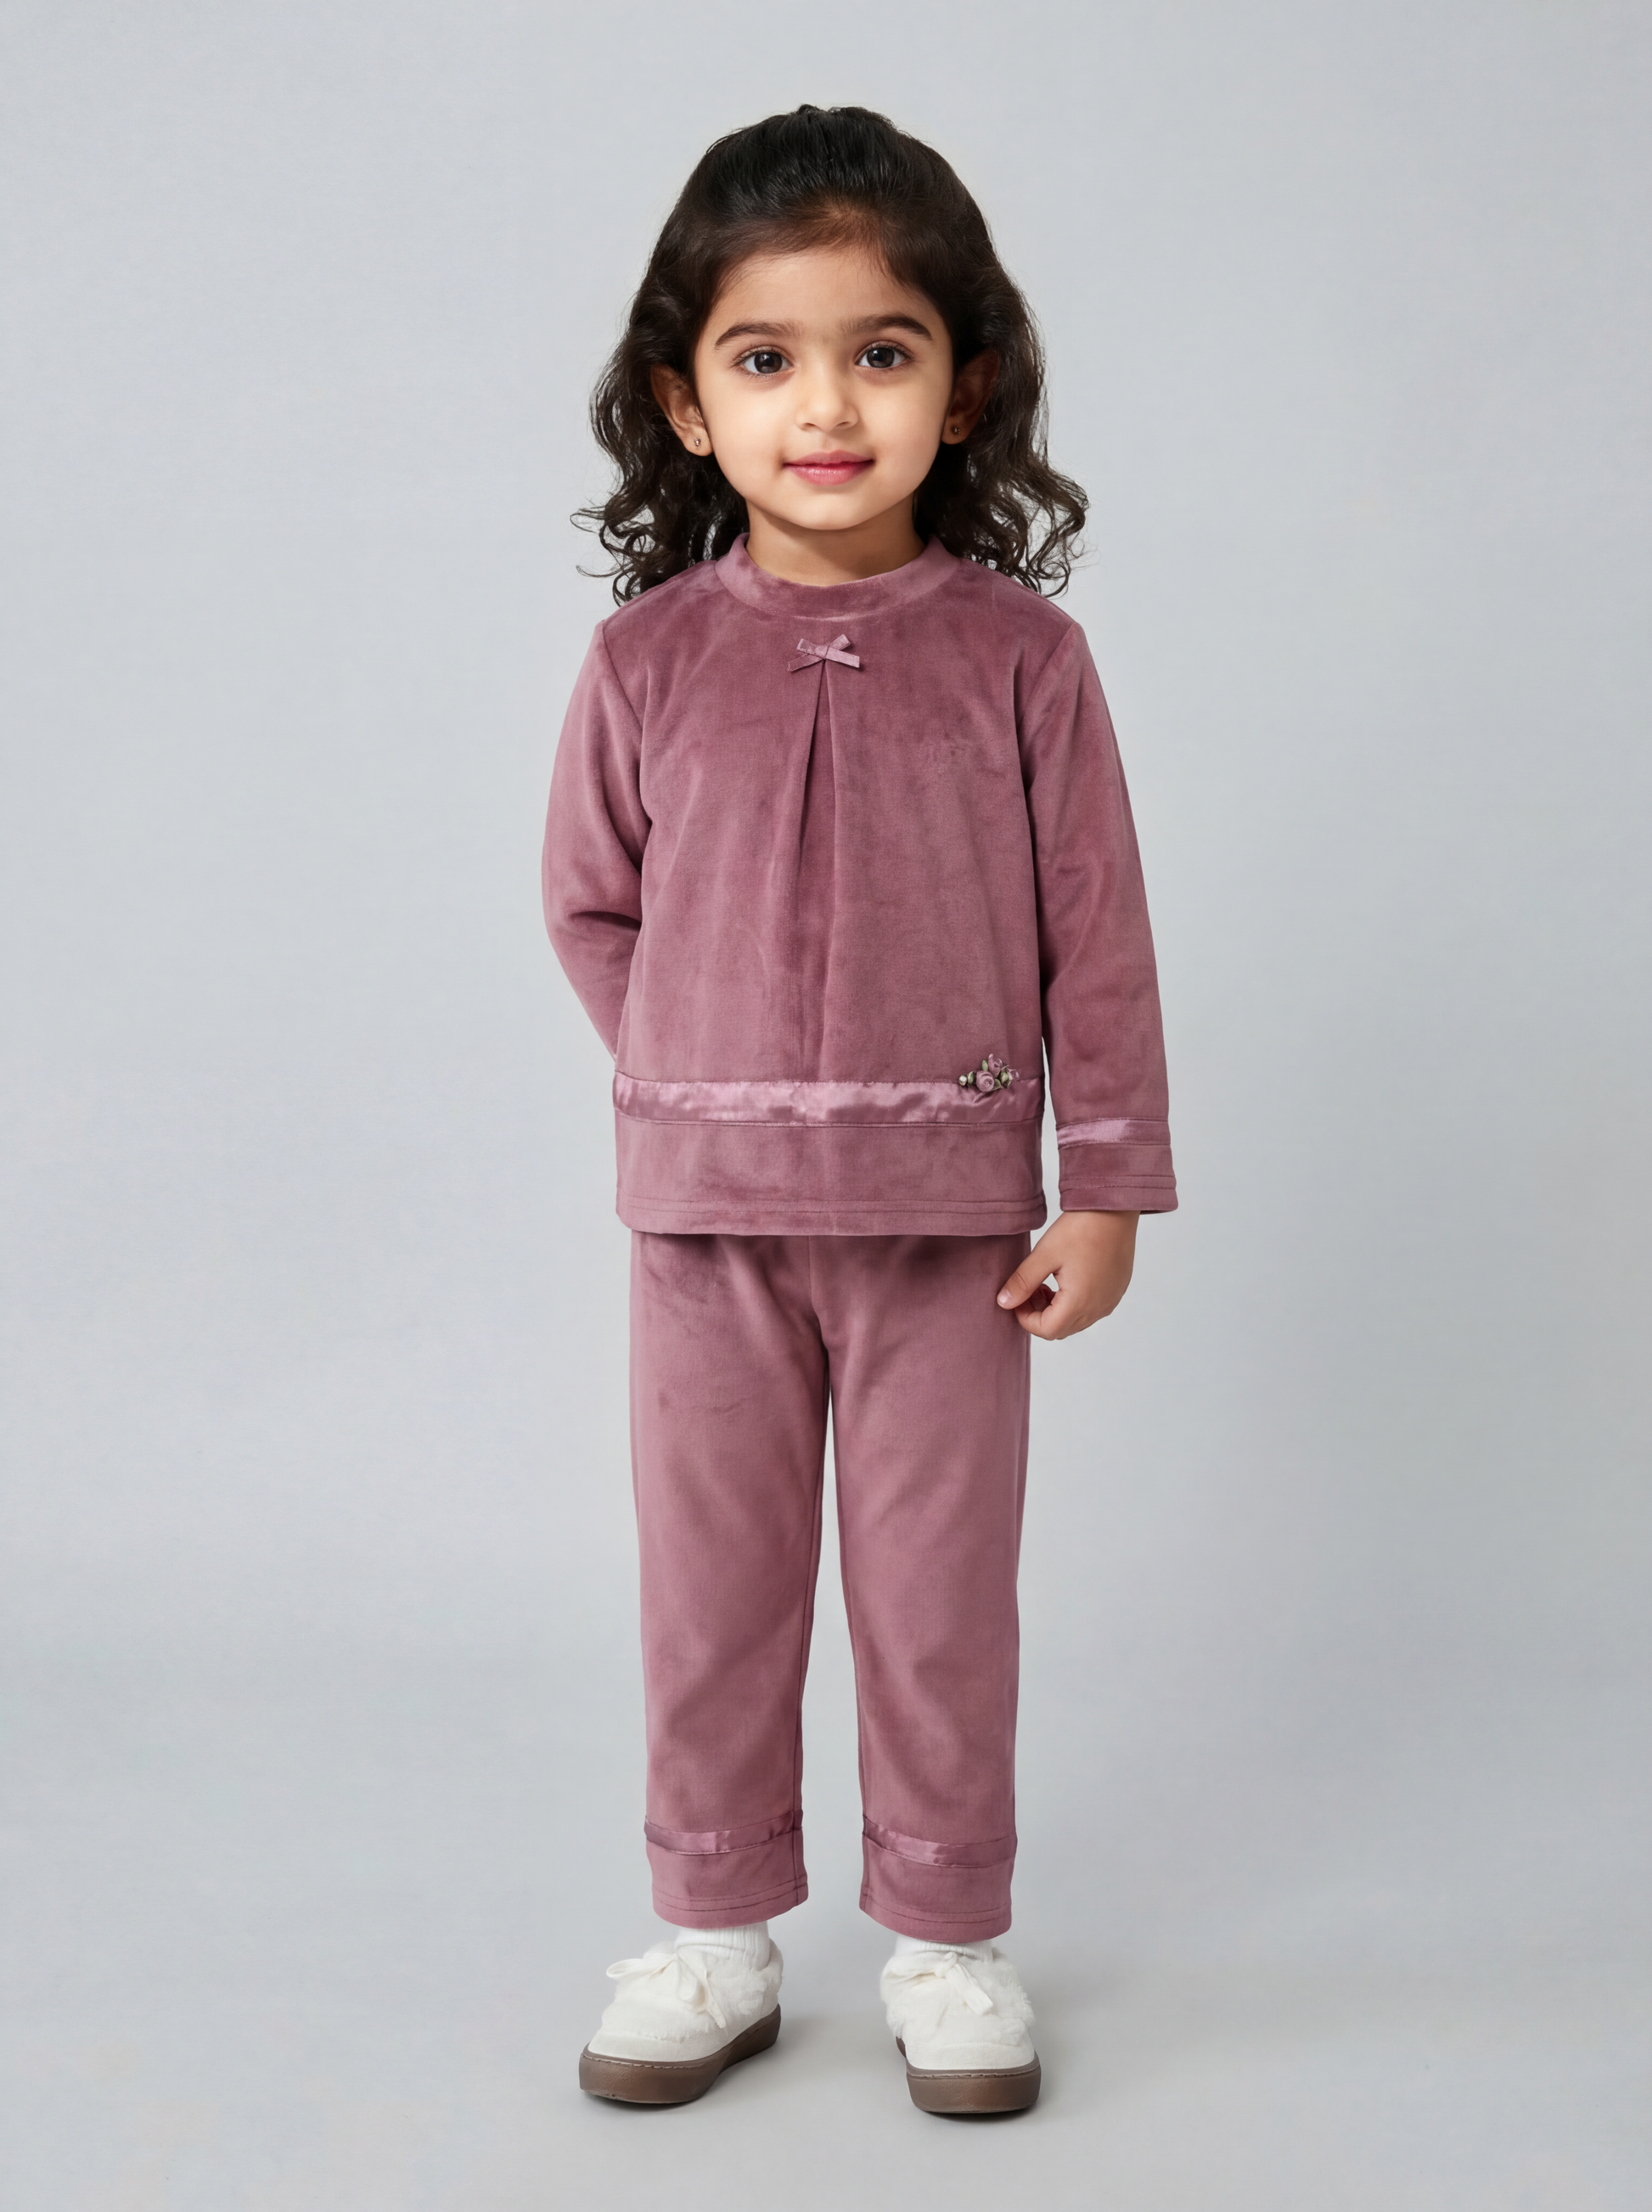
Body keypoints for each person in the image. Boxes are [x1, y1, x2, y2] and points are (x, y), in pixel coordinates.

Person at [542, 104, 1176, 2117]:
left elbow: (1099, 939)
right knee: (712, 1595)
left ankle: (946, 1936)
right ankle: (714, 1929)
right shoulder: (646, 661)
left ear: (960, 385)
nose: (824, 405)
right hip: (706, 1231)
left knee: (936, 1597)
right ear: (687, 399)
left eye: (879, 352)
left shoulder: (1024, 660)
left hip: (949, 1236)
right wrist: (693, 1074)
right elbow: (590, 904)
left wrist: (1104, 1186)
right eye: (766, 357)